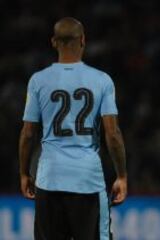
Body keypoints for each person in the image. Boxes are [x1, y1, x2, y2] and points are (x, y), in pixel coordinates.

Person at [19, 17, 127, 240]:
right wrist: (121, 175)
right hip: (87, 179)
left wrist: (23, 173)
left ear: (53, 42)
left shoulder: (38, 81)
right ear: (83, 40)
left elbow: (28, 133)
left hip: (49, 178)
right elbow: (113, 134)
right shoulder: (101, 80)